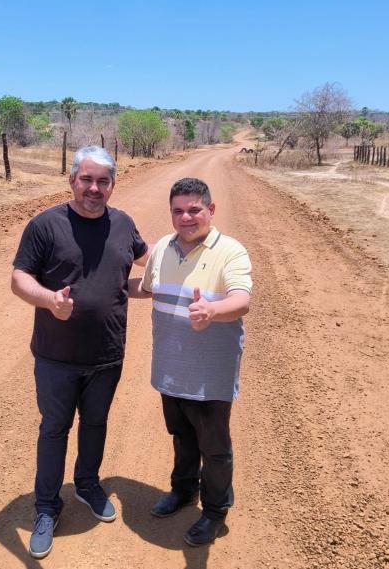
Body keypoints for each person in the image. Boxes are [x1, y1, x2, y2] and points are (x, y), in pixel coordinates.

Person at [11, 146, 149, 559]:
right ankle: (46, 507)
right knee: (54, 429)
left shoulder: (124, 224)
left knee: (96, 423)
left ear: (112, 184)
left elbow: (148, 263)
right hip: (56, 355)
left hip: (107, 353)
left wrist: (192, 264)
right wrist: (49, 300)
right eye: (86, 179)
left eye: (102, 181)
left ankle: (87, 484)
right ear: (72, 180)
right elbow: (19, 278)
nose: (94, 188)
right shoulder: (46, 226)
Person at [132, 177, 252, 546]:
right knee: (181, 436)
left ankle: (215, 511)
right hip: (171, 367)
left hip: (209, 372)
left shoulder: (230, 251)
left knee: (213, 447)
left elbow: (241, 299)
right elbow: (146, 287)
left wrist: (212, 310)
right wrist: (102, 290)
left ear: (210, 210)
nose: (186, 217)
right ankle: (184, 490)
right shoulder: (163, 248)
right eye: (178, 211)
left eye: (194, 209)